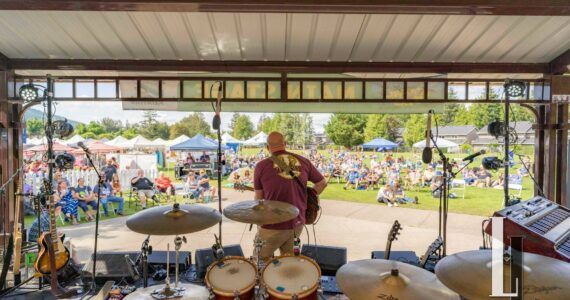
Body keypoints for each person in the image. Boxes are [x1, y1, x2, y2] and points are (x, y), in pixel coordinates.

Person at [253, 131, 327, 261]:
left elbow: (259, 198)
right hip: (296, 222)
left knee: (260, 260)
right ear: (285, 144)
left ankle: (265, 281)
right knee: (290, 262)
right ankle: (288, 280)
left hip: (271, 225)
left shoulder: (261, 166)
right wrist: (309, 194)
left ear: (267, 147)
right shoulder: (304, 161)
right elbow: (322, 183)